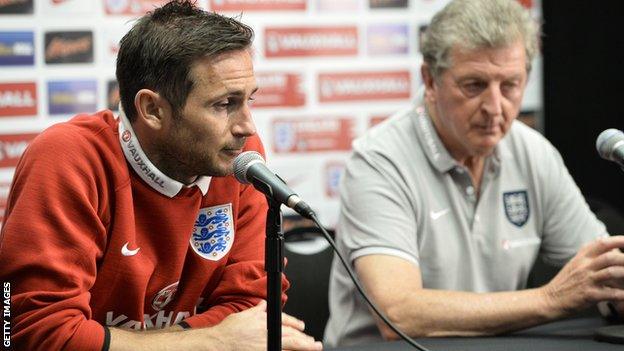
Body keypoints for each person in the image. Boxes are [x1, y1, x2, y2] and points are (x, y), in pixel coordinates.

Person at [0, 1, 322, 350]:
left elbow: (251, 311)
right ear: (153, 109)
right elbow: (38, 334)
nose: (247, 125)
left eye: (249, 100)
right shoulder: (68, 158)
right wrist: (210, 340)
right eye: (224, 104)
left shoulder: (237, 156)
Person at [324, 0, 624, 346]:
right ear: (430, 81)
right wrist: (551, 299)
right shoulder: (379, 160)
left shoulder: (533, 152)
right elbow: (398, 313)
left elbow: (603, 274)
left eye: (510, 85)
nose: (495, 108)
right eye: (474, 85)